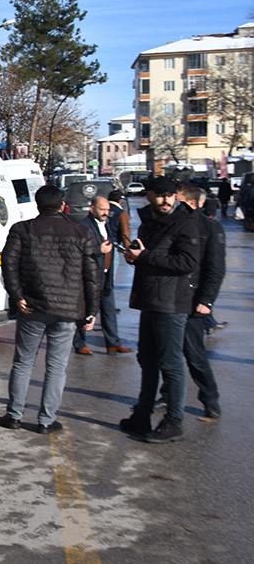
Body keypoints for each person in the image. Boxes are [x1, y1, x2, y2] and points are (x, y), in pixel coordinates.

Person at [0, 185, 98, 434]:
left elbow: (8, 263)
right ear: (63, 204)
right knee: (56, 366)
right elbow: (92, 276)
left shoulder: (21, 229)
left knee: (23, 362)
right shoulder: (82, 232)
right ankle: (46, 420)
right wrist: (91, 310)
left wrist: (17, 294)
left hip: (32, 306)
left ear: (37, 205)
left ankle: (14, 416)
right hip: (67, 309)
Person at [119, 176, 201, 443]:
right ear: (149, 196)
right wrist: (134, 258)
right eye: (161, 195)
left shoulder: (184, 223)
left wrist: (144, 257)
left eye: (170, 196)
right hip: (149, 299)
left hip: (171, 303)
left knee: (171, 363)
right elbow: (149, 258)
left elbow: (187, 262)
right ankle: (142, 415)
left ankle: (174, 421)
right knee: (148, 360)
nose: (166, 200)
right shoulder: (149, 222)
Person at [176, 183, 225, 420]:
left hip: (194, 301)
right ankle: (169, 395)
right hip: (170, 299)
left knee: (194, 354)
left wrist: (207, 300)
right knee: (167, 354)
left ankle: (210, 398)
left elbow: (215, 269)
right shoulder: (172, 224)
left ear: (192, 203)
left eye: (178, 200)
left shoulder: (210, 228)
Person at [72, 196, 131, 355]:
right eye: (102, 210)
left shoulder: (107, 224)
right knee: (85, 310)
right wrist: (99, 250)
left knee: (109, 310)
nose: (105, 213)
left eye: (107, 210)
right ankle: (80, 343)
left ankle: (113, 343)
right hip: (90, 276)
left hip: (106, 275)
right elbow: (78, 249)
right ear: (92, 209)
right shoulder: (83, 226)